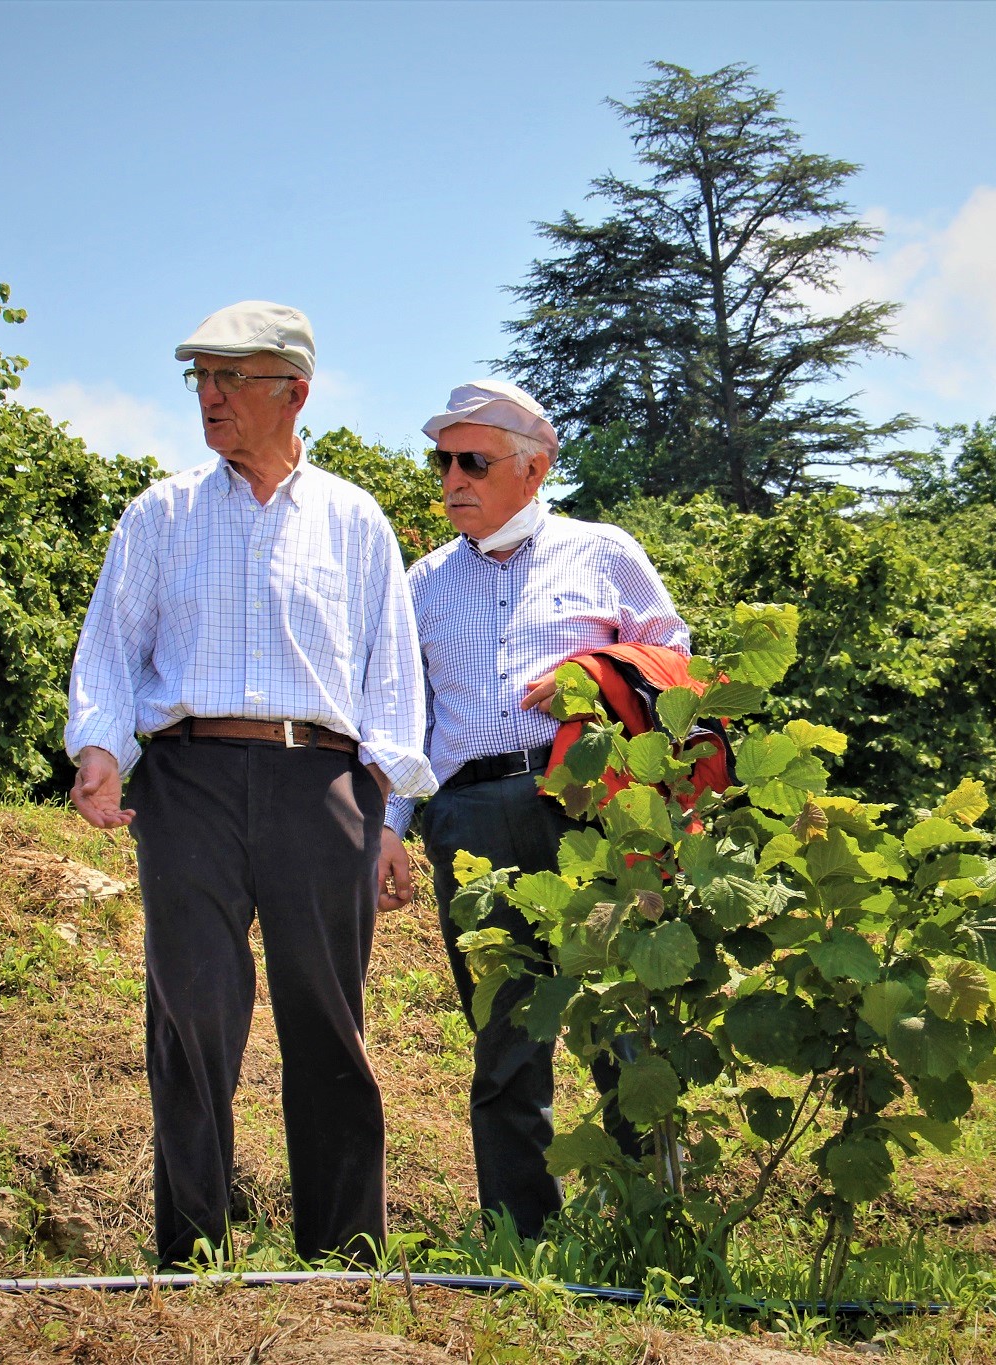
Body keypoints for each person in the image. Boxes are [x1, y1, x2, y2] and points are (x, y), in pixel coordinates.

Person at [65, 301, 435, 1266]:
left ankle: (347, 1257)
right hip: (186, 779)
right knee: (193, 1011)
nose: (212, 397)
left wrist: (391, 812)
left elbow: (391, 676)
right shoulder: (159, 513)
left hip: (324, 784)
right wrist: (101, 750)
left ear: (295, 393)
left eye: (232, 379)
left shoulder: (355, 520)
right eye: (201, 379)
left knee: (328, 1015)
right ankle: (190, 1253)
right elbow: (109, 650)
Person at [377, 379, 689, 1240]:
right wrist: (390, 832)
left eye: (472, 460)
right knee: (506, 1039)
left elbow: (675, 654)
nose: (451, 479)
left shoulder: (604, 550)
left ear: (535, 466)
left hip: (589, 804)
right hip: (470, 816)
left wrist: (599, 673)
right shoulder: (423, 583)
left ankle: (652, 1228)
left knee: (620, 1022)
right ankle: (524, 1239)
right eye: (442, 460)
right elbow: (405, 718)